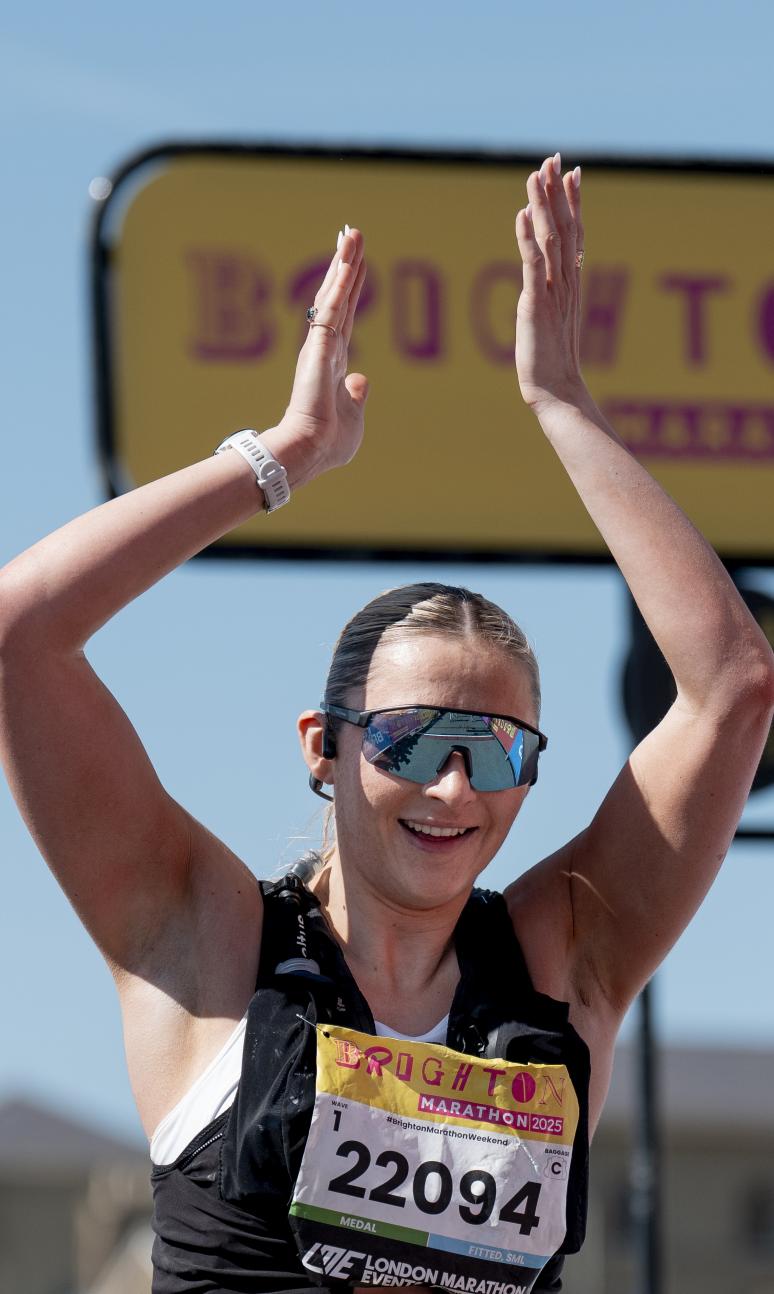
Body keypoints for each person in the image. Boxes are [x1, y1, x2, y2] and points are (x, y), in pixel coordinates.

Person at [1, 154, 772, 1294]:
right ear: (326, 744)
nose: (455, 788)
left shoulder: (566, 958)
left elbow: (733, 685)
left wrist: (562, 405)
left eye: (498, 751)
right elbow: (22, 633)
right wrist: (280, 458)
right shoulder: (204, 939)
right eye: (412, 739)